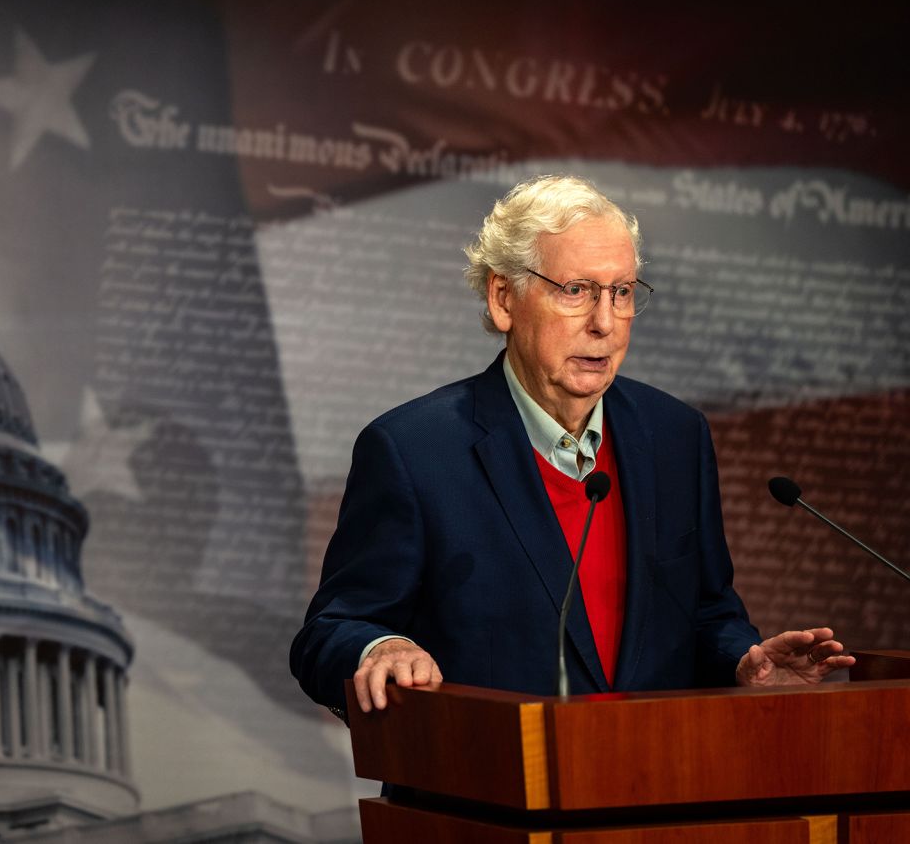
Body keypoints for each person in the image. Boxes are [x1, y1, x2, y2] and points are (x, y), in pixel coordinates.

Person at [289, 175, 854, 718]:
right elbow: (330, 632)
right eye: (576, 291)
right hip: (492, 795)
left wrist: (742, 662)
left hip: (657, 787)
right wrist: (380, 648)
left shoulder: (674, 436)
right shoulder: (414, 452)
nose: (605, 323)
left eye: (623, 292)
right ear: (504, 298)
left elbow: (708, 612)